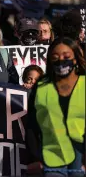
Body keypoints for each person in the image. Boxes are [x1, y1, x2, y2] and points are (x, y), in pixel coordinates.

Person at [26, 37, 85, 176]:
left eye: (66, 56)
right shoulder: (41, 86)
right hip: (51, 153)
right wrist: (35, 158)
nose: (61, 60)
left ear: (75, 59)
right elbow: (32, 125)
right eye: (55, 57)